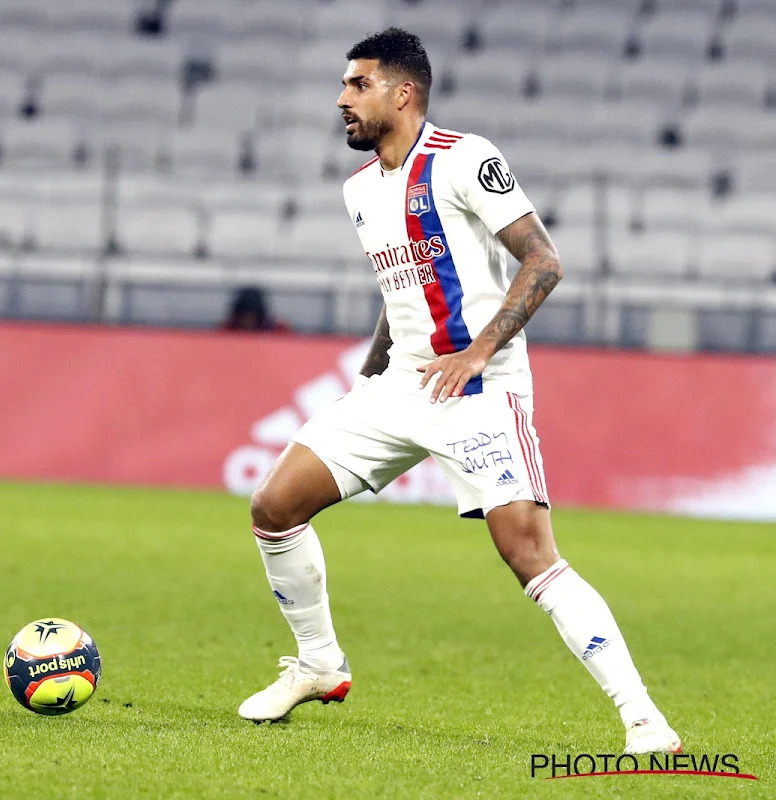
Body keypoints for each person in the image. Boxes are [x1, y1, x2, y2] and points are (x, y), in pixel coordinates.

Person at [238, 28, 681, 755]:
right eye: (345, 85)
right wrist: (373, 371)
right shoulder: (360, 190)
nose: (343, 98)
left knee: (529, 554)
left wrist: (477, 353)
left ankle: (644, 720)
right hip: (402, 386)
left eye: (358, 84)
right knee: (274, 507)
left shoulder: (465, 159)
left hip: (479, 388)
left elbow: (544, 260)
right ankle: (319, 664)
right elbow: (401, 288)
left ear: (402, 93)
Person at [221, 286, 290, 332]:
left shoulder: (277, 330)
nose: (247, 321)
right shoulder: (225, 330)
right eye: (244, 317)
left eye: (251, 317)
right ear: (237, 317)